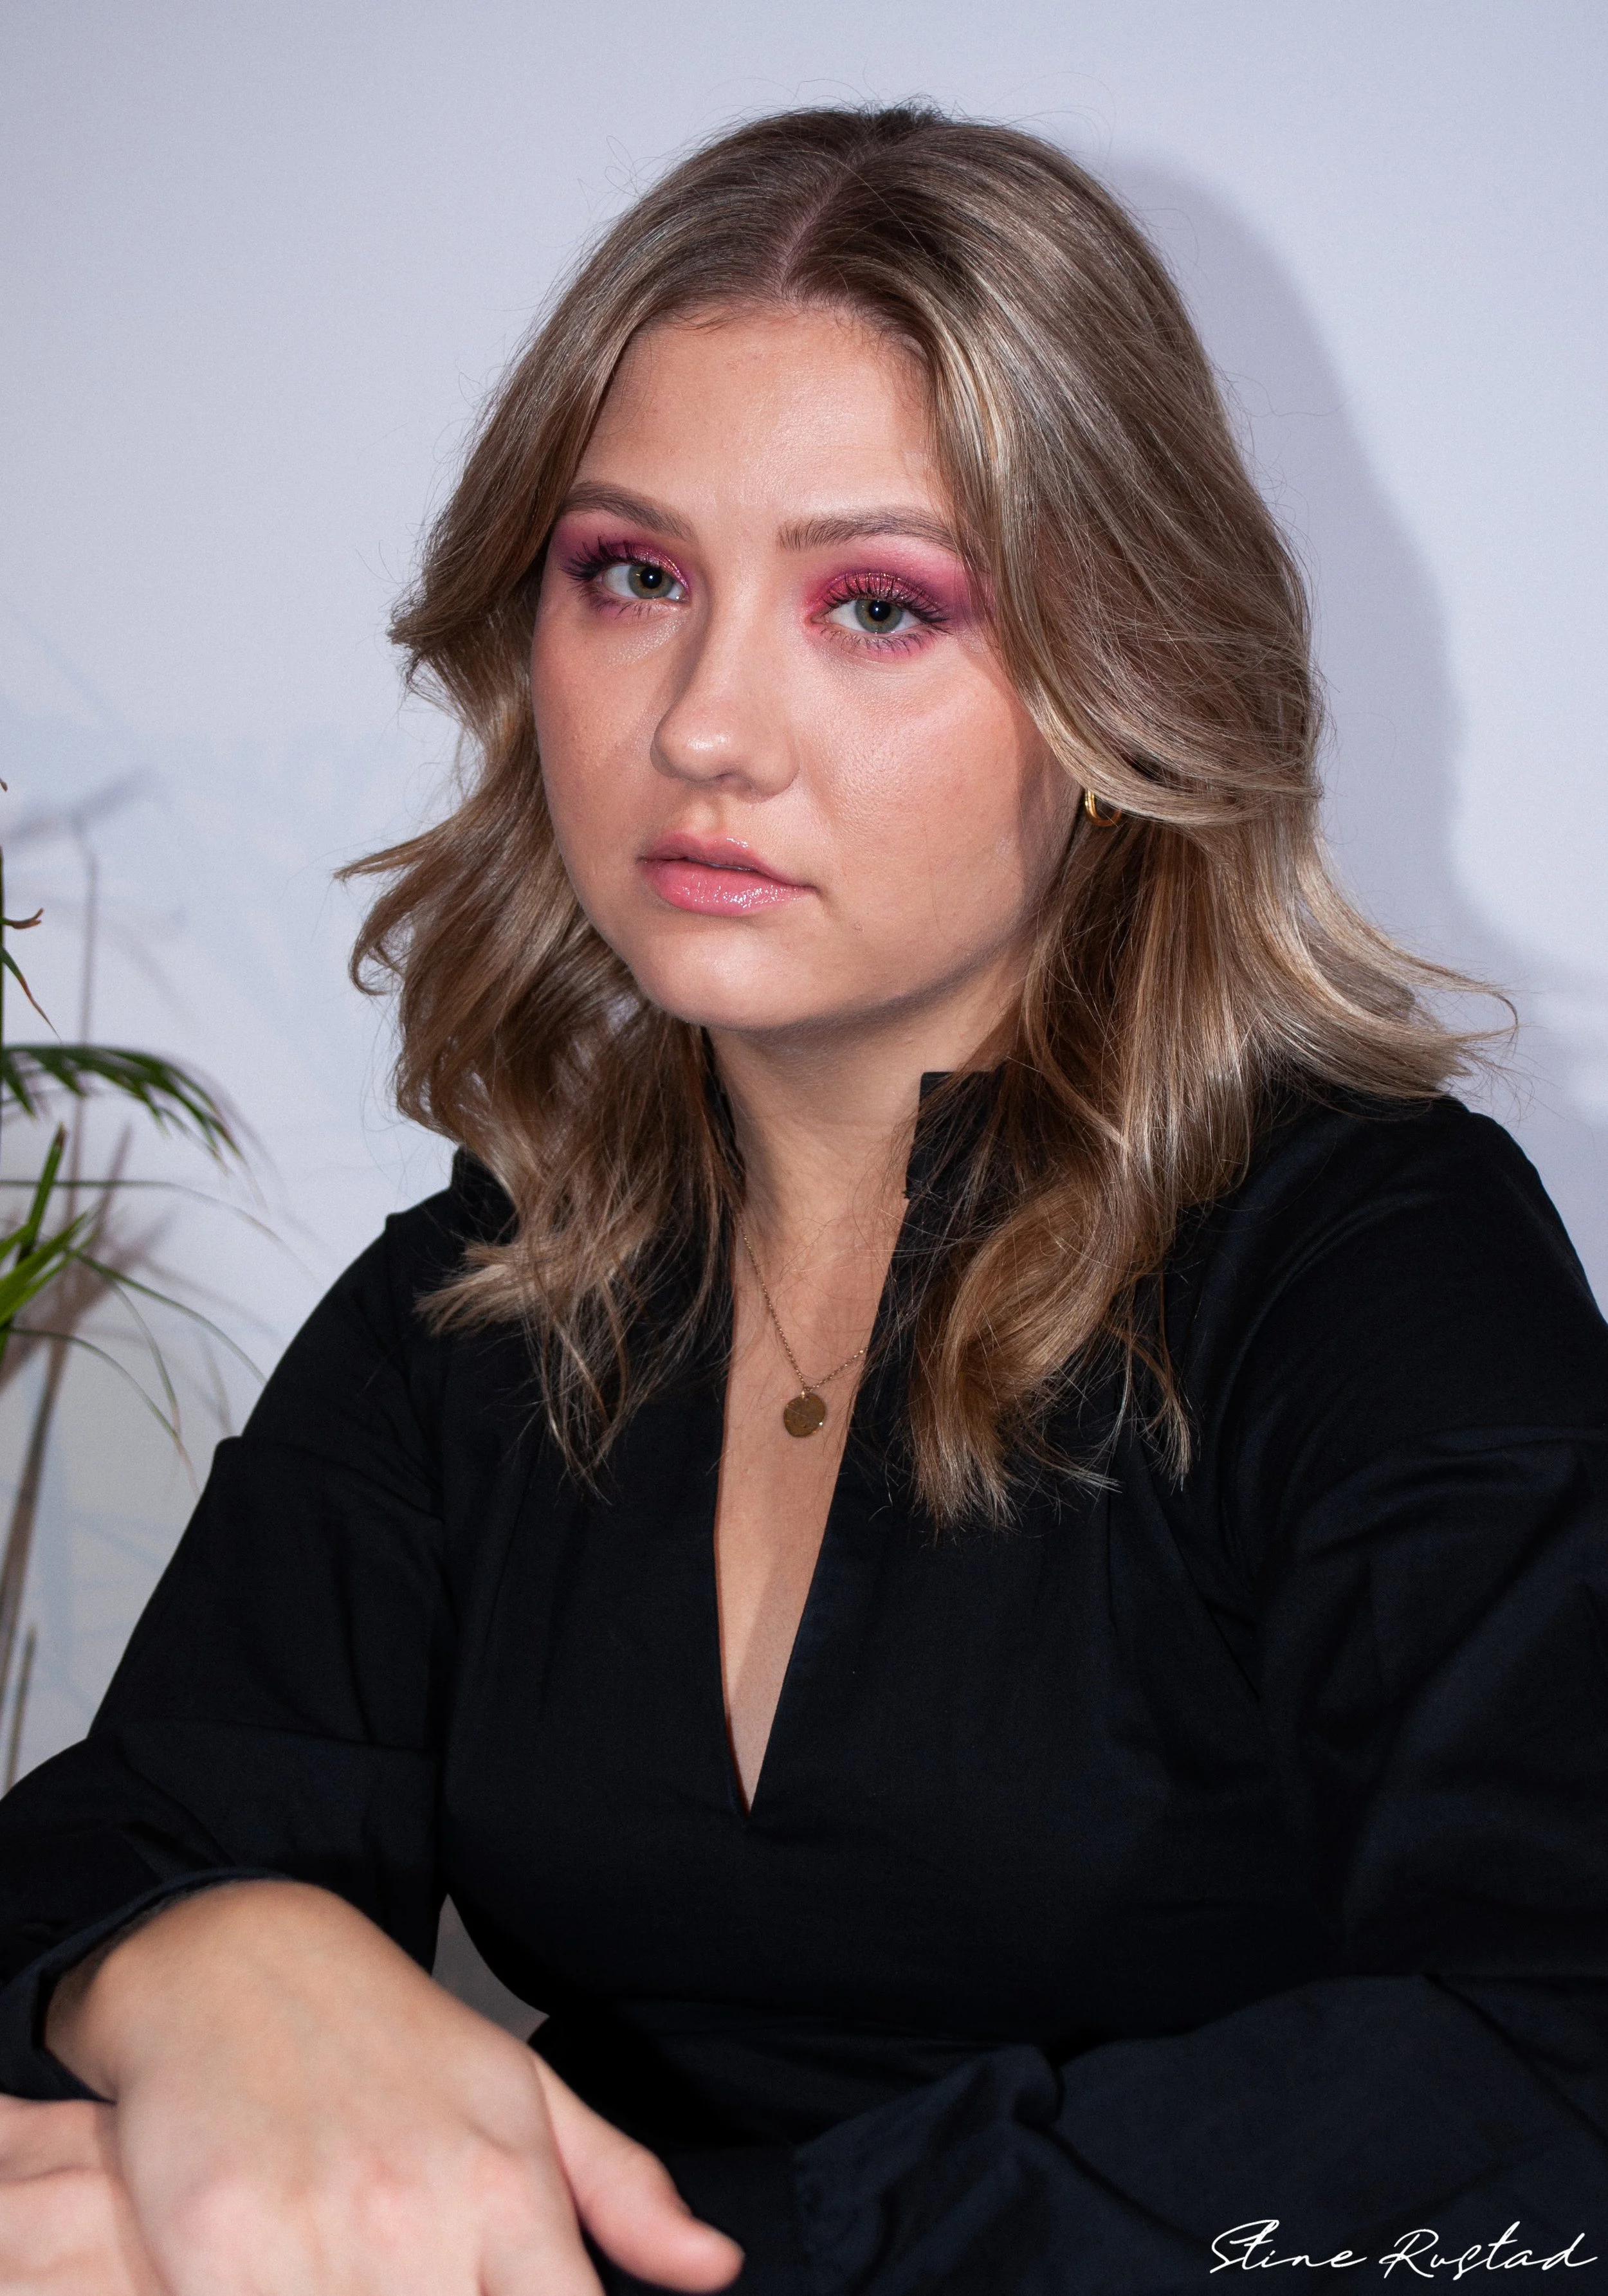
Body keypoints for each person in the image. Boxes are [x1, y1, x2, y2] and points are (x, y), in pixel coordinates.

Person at [1, 102, 1605, 2296]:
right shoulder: (484, 1301)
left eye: (874, 605)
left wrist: (637, 2258)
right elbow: (125, 1840)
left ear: (1122, 673)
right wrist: (212, 1961)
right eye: (631, 577)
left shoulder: (1367, 1259)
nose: (703, 728)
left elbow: (1552, 2078)